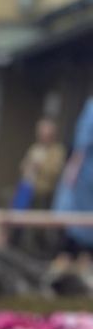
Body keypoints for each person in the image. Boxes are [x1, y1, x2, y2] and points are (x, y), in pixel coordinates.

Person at [51, 100, 93, 288]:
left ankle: (72, 259)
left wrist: (72, 170)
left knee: (73, 217)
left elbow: (81, 146)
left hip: (86, 176)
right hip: (86, 174)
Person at [12, 117, 67, 260]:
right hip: (26, 189)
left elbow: (55, 171)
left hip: (43, 193)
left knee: (39, 226)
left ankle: (41, 255)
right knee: (18, 220)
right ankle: (14, 250)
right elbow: (23, 165)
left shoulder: (57, 151)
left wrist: (39, 166)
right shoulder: (35, 148)